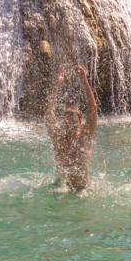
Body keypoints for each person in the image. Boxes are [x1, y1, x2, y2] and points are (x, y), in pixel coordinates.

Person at [44, 63, 98, 191]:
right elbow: (48, 110)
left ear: (79, 122)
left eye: (73, 121)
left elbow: (93, 108)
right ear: (62, 123)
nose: (70, 124)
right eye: (67, 121)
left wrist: (84, 81)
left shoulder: (86, 136)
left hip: (84, 189)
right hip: (62, 189)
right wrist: (57, 83)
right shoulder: (58, 138)